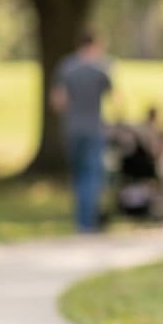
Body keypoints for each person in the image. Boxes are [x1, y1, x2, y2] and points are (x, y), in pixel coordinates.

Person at [49, 29, 117, 233]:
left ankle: (82, 219)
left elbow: (58, 101)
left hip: (72, 128)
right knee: (93, 174)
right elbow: (114, 98)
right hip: (94, 128)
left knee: (79, 174)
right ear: (95, 44)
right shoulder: (101, 68)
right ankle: (88, 221)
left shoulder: (66, 66)